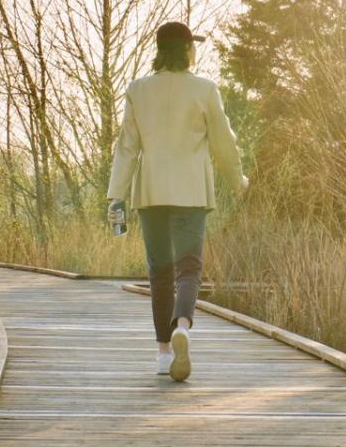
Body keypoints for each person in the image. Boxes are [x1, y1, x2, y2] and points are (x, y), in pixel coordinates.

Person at [106, 21, 248, 382]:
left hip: (151, 193)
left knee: (159, 271)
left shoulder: (138, 90)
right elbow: (223, 142)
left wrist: (116, 195)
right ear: (186, 50)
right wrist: (237, 180)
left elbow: (127, 147)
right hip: (190, 193)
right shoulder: (204, 89)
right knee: (189, 267)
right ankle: (182, 325)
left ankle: (163, 352)